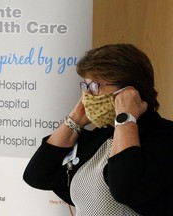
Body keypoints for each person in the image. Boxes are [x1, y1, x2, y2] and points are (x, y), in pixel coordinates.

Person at [23, 44, 173, 216]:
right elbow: (37, 175)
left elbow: (125, 190)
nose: (88, 96)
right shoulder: (99, 137)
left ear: (130, 91)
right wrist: (76, 119)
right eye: (85, 87)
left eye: (95, 87)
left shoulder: (165, 137)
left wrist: (126, 120)